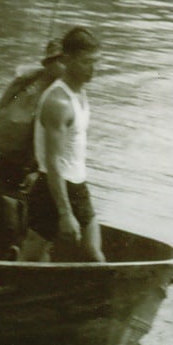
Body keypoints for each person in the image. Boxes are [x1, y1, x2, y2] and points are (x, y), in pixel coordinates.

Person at [0, 38, 65, 258]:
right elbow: (0, 118)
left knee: (27, 226)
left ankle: (10, 258)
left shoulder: (59, 94)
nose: (64, 66)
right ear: (48, 63)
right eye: (59, 61)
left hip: (36, 170)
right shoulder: (26, 85)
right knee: (0, 217)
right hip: (11, 163)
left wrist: (38, 172)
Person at [20, 26, 104, 263]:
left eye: (96, 61)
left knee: (93, 254)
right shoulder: (58, 102)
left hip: (78, 184)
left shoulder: (80, 93)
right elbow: (53, 162)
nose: (93, 69)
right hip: (52, 187)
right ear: (67, 60)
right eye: (86, 62)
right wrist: (65, 213)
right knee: (32, 256)